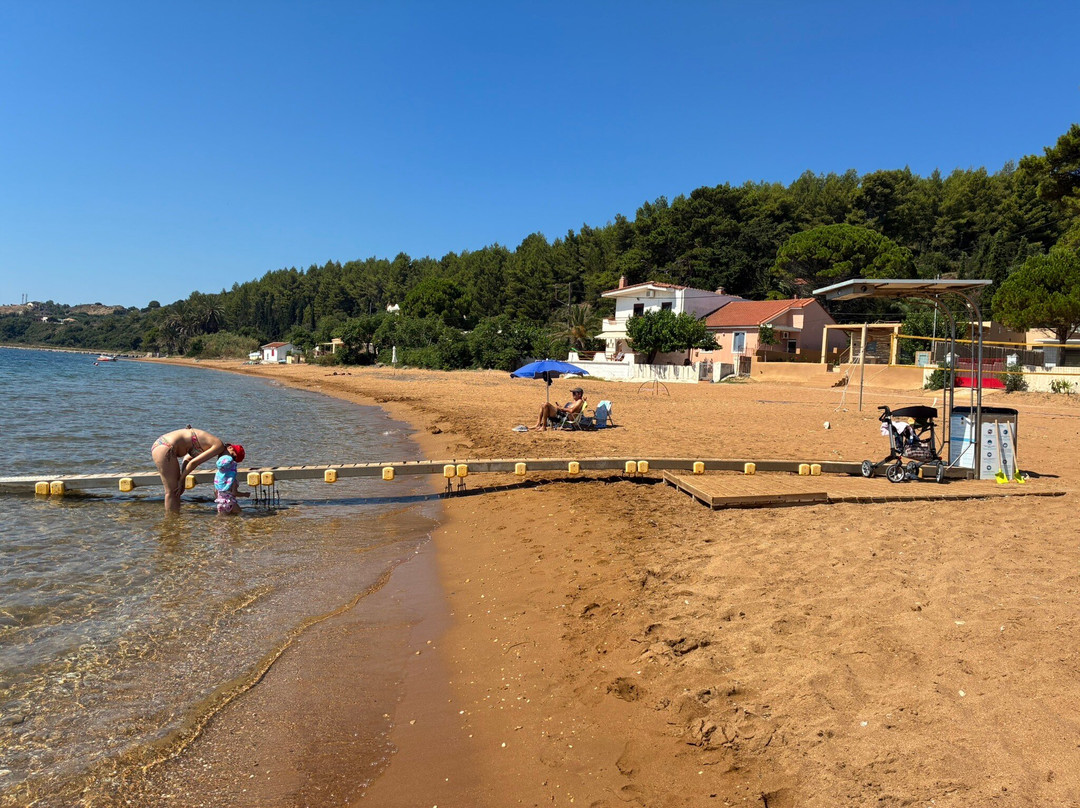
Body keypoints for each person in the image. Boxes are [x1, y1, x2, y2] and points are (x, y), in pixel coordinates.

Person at [151, 427, 245, 512]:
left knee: (177, 490)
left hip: (162, 445)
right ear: (229, 447)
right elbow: (194, 463)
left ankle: (175, 519)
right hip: (166, 448)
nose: (230, 460)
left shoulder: (209, 445)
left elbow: (188, 459)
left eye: (233, 460)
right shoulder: (219, 446)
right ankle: (171, 523)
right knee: (172, 491)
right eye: (232, 455)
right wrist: (181, 479)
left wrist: (182, 480)